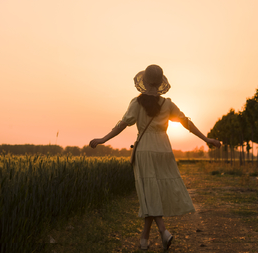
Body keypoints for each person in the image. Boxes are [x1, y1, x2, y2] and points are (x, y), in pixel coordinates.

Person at [89, 64, 221, 251]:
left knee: (148, 191)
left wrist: (103, 139)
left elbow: (122, 124)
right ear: (160, 83)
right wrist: (206, 138)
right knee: (154, 191)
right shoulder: (167, 104)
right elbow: (186, 122)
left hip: (144, 150)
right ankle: (144, 239)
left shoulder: (136, 103)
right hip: (164, 149)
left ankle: (163, 231)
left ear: (144, 81)